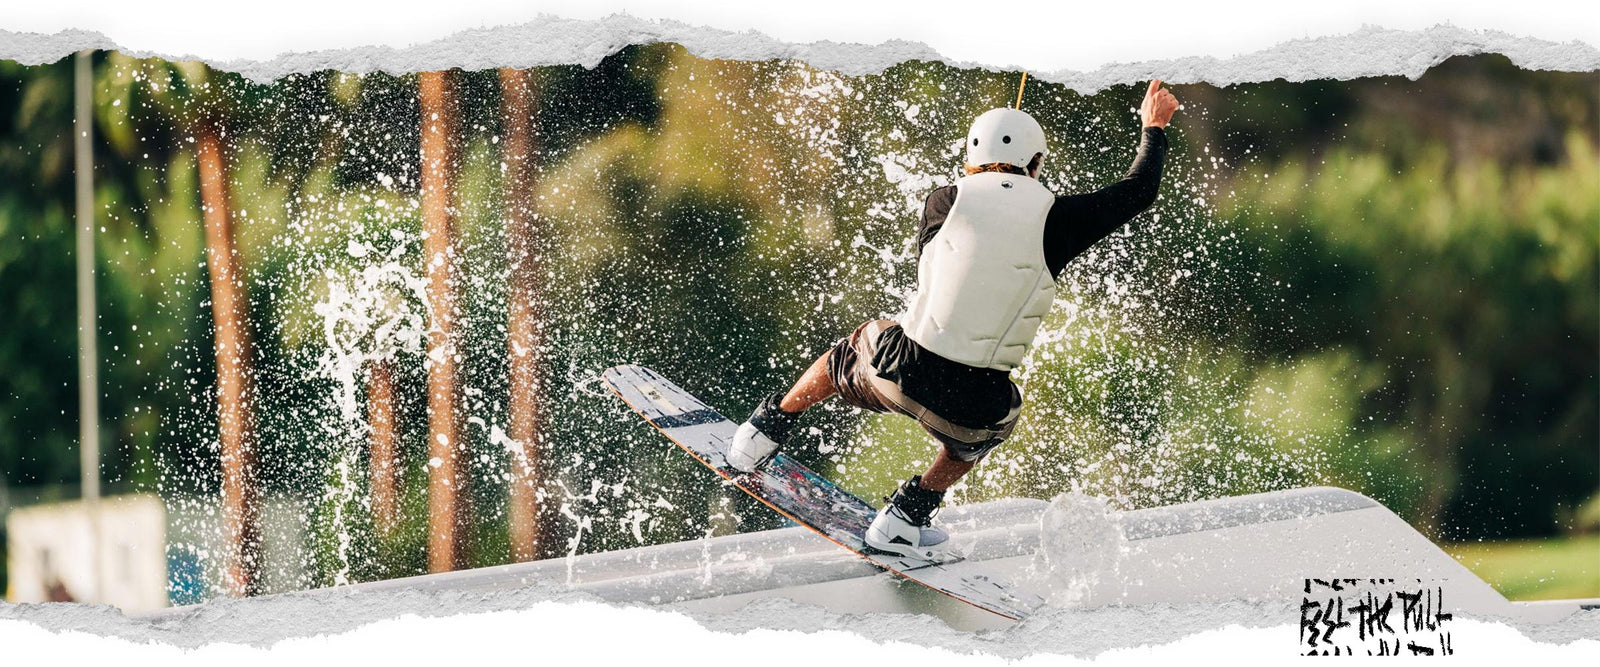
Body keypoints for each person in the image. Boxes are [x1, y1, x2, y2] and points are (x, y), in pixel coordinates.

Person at [728, 80, 1181, 560]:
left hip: (896, 375)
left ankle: (764, 431)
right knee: (1001, 420)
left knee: (859, 343)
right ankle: (907, 516)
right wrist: (1153, 126)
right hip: (970, 410)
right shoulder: (1061, 220)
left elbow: (944, 267)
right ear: (1037, 165)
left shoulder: (942, 200)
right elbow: (1139, 190)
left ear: (969, 160)